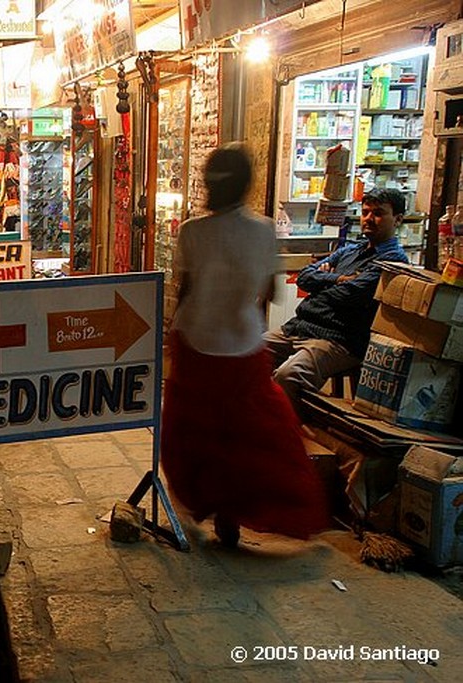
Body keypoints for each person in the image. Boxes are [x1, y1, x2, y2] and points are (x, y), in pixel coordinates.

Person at [161, 143, 328, 547]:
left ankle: (212, 505)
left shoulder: (192, 231)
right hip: (244, 343)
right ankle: (236, 510)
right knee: (247, 436)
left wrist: (171, 335)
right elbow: (268, 292)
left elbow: (186, 292)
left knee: (197, 433)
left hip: (198, 341)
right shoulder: (264, 230)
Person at [264, 187, 410, 416]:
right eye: (366, 212)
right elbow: (304, 277)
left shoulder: (393, 259)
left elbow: (352, 294)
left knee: (289, 375)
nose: (369, 219)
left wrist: (323, 281)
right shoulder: (350, 251)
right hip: (299, 327)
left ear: (398, 219)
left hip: (337, 339)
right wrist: (339, 278)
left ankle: (288, 435)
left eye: (378, 213)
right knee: (244, 358)